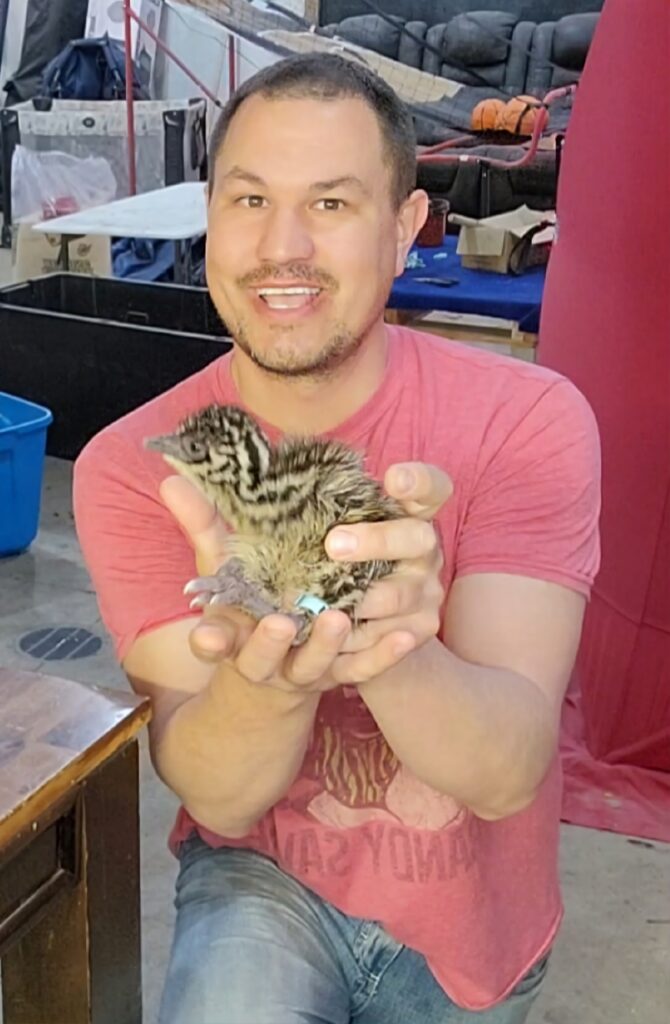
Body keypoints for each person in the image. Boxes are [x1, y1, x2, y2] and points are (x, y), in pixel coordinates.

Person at [73, 54, 600, 1024]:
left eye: (330, 204)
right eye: (249, 199)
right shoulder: (134, 466)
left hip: (476, 926)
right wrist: (264, 680)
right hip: (261, 879)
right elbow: (220, 797)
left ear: (404, 230)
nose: (282, 246)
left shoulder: (527, 422)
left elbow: (502, 772)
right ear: (210, 219)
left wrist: (389, 644)